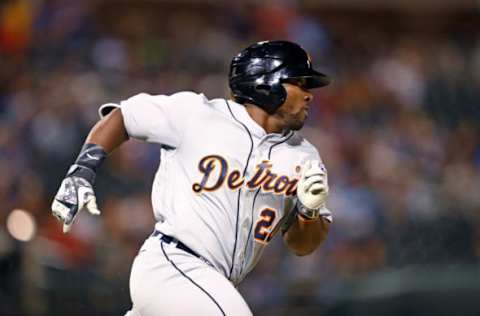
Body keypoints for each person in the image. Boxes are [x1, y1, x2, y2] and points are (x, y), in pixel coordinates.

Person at [51, 40, 333, 316]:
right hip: (173, 263)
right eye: (300, 83)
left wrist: (309, 211)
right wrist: (82, 172)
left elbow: (302, 245)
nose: (309, 95)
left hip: (212, 285)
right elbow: (123, 117)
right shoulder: (198, 114)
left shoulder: (304, 157)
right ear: (266, 82)